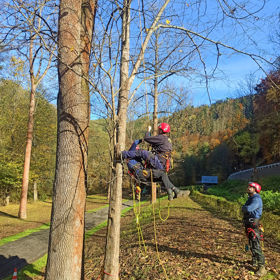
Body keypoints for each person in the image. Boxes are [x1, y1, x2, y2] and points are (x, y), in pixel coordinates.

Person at [242, 182, 266, 277]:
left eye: (250, 187)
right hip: (249, 224)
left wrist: (244, 208)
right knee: (251, 243)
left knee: (256, 245)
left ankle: (262, 268)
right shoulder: (251, 198)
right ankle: (254, 261)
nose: (248, 188)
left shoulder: (256, 199)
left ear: (255, 189)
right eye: (248, 187)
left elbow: (248, 209)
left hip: (253, 225)